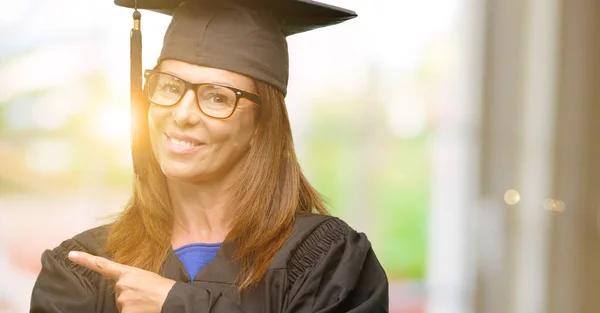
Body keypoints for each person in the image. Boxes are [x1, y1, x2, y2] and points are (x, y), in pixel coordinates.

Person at [29, 0, 389, 312]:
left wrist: (178, 306)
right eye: (170, 86)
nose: (183, 113)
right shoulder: (84, 269)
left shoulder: (325, 261)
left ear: (261, 126)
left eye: (217, 96)